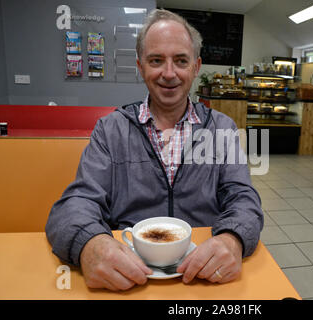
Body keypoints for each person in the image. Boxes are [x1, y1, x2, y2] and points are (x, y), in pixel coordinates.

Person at [45, 9, 263, 291]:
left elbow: (243, 198)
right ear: (140, 66)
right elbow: (76, 203)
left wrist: (233, 239)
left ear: (196, 67)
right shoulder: (110, 130)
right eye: (156, 60)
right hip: (126, 281)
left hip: (204, 280)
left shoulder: (223, 128)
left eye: (181, 61)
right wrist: (89, 245)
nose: (169, 73)